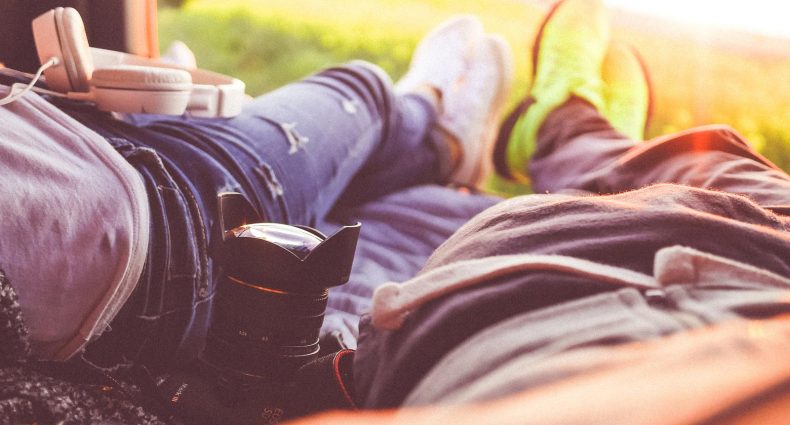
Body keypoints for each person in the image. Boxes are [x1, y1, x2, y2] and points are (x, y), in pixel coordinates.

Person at [0, 0, 788, 423]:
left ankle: (531, 126)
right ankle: (527, 121)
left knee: (690, 174)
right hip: (135, 209)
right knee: (722, 173)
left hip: (110, 202)